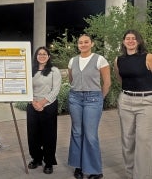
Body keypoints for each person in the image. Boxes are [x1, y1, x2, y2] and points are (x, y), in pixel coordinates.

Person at [67, 34, 111, 179]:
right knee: (77, 132)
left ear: (92, 44)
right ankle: (78, 166)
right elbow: (71, 79)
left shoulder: (99, 59)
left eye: (86, 42)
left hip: (93, 99)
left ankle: (94, 170)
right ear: (77, 45)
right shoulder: (72, 60)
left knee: (91, 135)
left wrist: (99, 98)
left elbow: (107, 83)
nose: (83, 44)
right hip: (75, 98)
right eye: (80, 42)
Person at [114, 29, 152, 179]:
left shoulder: (148, 57)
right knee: (127, 140)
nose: (130, 41)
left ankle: (142, 176)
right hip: (126, 101)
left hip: (146, 102)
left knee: (143, 140)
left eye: (133, 38)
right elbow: (120, 79)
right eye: (127, 38)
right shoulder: (118, 60)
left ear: (139, 41)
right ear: (123, 42)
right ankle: (130, 174)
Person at [27, 46, 61, 174]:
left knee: (49, 136)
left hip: (48, 105)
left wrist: (42, 103)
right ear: (36, 56)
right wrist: (33, 102)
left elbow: (55, 90)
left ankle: (48, 162)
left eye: (44, 54)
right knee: (33, 135)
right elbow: (26, 88)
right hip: (32, 104)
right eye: (39, 54)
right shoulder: (31, 71)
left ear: (48, 56)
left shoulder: (54, 71)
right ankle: (36, 158)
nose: (42, 56)